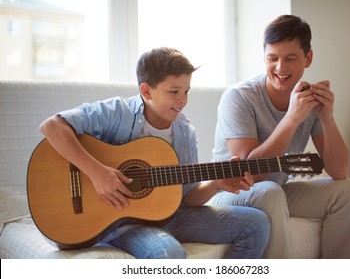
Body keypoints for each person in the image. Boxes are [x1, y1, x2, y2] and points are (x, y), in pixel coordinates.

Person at [39, 47, 270, 259]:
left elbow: (187, 197)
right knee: (167, 253)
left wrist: (215, 184)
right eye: (174, 91)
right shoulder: (117, 112)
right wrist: (97, 173)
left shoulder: (185, 132)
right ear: (146, 91)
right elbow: (52, 126)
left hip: (172, 216)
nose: (183, 100)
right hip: (120, 221)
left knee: (256, 223)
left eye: (187, 91)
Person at [207, 15, 350, 258]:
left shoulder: (308, 100)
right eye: (272, 58)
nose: (280, 68)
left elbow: (339, 171)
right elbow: (249, 173)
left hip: (276, 192)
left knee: (348, 191)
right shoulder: (239, 97)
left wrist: (327, 118)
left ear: (308, 59)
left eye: (290, 58)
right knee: (270, 191)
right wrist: (291, 119)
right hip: (230, 193)